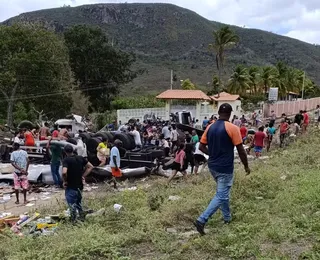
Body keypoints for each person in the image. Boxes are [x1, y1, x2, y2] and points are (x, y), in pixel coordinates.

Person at [194, 103, 250, 235]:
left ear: (218, 112)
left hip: (212, 166)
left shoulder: (210, 127)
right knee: (221, 195)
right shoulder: (233, 128)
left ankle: (227, 218)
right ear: (230, 114)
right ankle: (202, 220)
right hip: (225, 167)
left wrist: (212, 154)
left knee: (223, 193)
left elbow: (201, 147)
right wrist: (246, 166)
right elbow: (241, 150)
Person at [62, 145, 93, 223]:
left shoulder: (66, 160)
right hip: (80, 186)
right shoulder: (80, 158)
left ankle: (73, 221)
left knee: (72, 205)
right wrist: (83, 175)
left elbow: (64, 172)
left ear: (65, 152)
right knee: (78, 203)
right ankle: (82, 217)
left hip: (71, 187)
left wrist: (65, 181)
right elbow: (90, 167)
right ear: (72, 150)